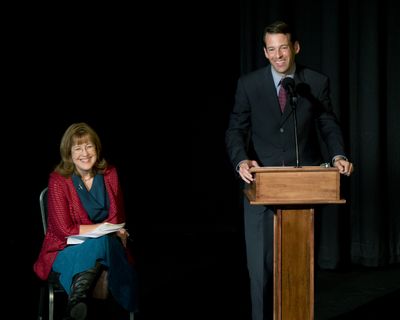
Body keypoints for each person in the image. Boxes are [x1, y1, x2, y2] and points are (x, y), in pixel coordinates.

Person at [225, 21, 354, 320]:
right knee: (260, 271)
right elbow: (235, 130)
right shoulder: (249, 84)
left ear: (295, 47)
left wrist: (337, 155)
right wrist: (241, 160)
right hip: (262, 186)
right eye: (272, 49)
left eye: (283, 47)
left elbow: (327, 123)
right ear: (265, 52)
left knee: (297, 268)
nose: (278, 55)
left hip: (303, 187)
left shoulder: (315, 81)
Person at [34, 122, 138, 320]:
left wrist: (113, 230)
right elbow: (63, 229)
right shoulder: (58, 180)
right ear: (69, 153)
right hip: (66, 248)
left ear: (96, 149)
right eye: (78, 148)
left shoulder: (109, 174)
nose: (85, 153)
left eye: (89, 146)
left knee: (104, 242)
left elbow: (117, 216)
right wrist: (104, 229)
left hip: (108, 244)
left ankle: (76, 300)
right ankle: (78, 301)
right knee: (103, 241)